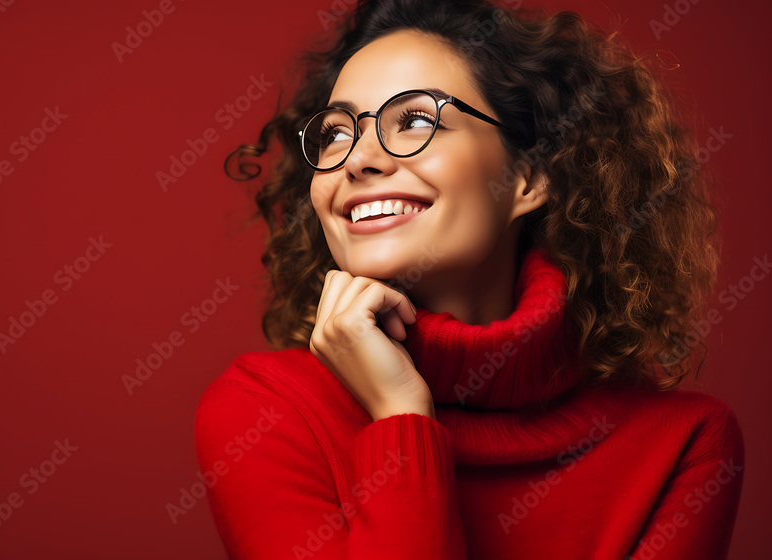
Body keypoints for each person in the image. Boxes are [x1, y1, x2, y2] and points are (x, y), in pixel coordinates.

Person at [194, 0, 745, 558]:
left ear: (529, 178)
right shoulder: (262, 412)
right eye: (336, 133)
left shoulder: (687, 442)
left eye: (414, 120)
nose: (357, 159)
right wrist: (403, 414)